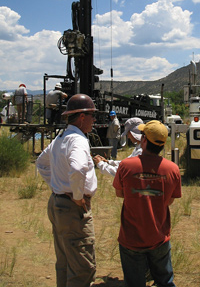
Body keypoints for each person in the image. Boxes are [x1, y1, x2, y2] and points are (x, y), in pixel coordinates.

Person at [36, 94, 98, 287]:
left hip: (58, 204)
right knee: (82, 268)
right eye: (92, 115)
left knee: (64, 262)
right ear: (82, 117)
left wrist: (57, 186)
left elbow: (41, 163)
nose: (94, 120)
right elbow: (78, 168)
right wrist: (77, 196)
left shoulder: (60, 138)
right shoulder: (78, 140)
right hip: (72, 210)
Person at [113, 120, 182, 287]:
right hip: (159, 237)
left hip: (131, 239)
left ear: (144, 140)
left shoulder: (126, 166)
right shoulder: (173, 169)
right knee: (165, 281)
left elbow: (120, 193)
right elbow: (170, 200)